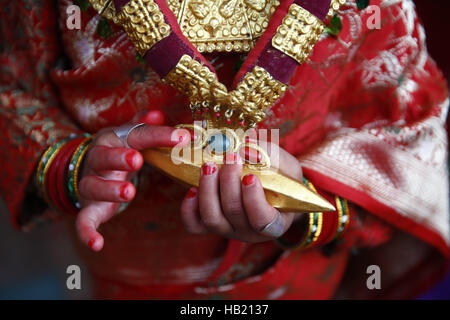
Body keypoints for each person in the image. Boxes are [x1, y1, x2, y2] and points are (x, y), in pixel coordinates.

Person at [0, 0, 448, 299]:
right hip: (127, 271)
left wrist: (309, 211)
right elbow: (13, 86)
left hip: (300, 281)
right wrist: (75, 166)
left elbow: (408, 128)